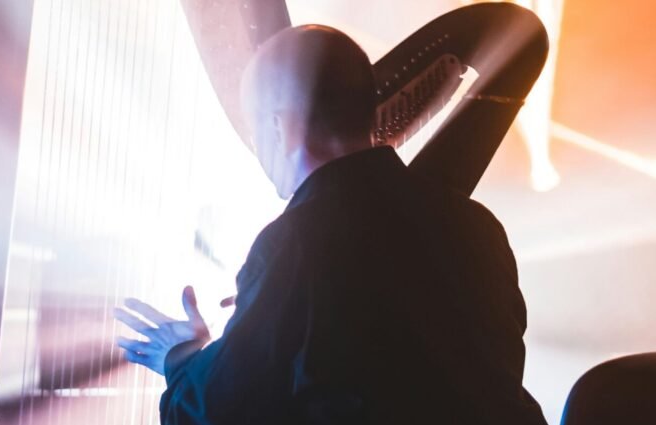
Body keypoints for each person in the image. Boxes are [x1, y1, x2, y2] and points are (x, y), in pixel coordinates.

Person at [115, 25, 546, 424]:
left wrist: (182, 356)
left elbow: (219, 412)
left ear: (278, 126)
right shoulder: (479, 226)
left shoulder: (294, 243)